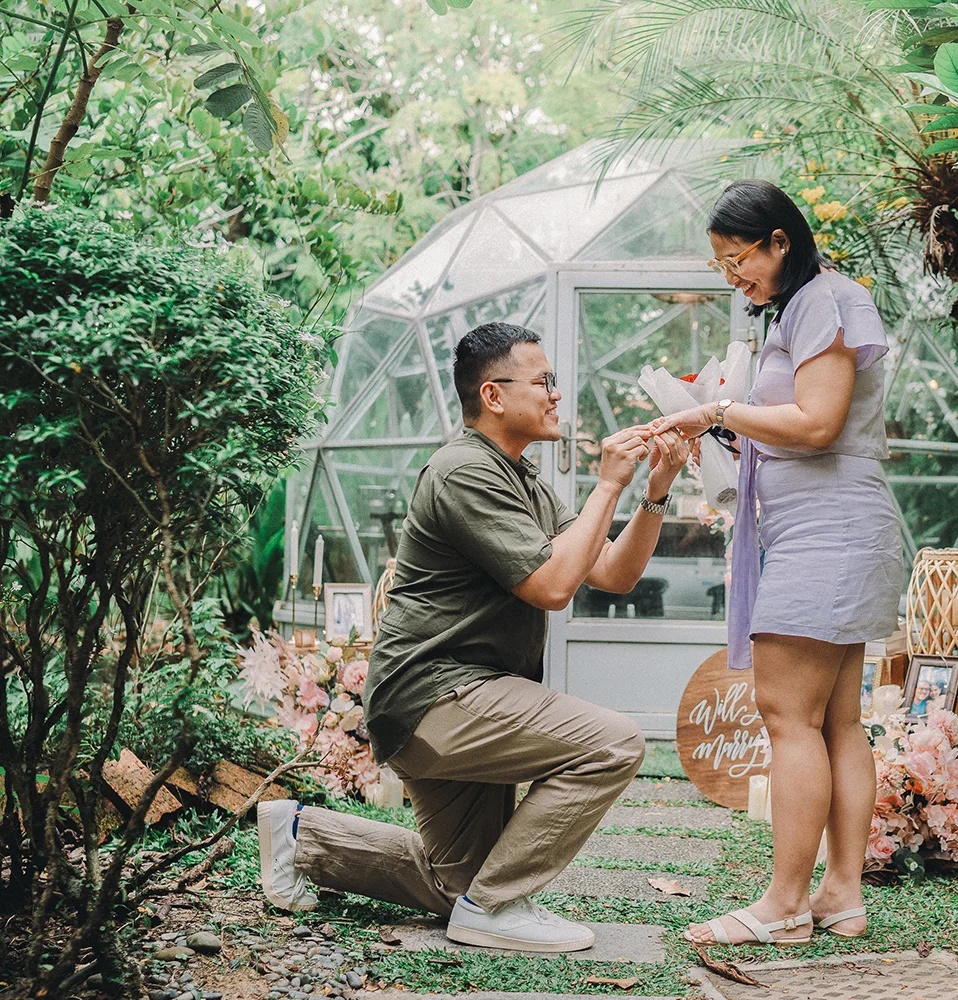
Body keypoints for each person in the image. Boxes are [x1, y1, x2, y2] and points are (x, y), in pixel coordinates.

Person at [257, 322, 689, 954]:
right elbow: (551, 587)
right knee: (612, 744)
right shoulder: (463, 471)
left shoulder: (524, 480)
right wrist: (607, 484)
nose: (555, 395)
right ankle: (494, 909)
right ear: (493, 395)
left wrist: (653, 492)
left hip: (466, 695)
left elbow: (613, 574)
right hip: (436, 695)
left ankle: (302, 836)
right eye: (543, 382)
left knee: (449, 883)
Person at [653, 180, 902, 946]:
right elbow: (799, 420)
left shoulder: (822, 297)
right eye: (722, 264)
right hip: (835, 527)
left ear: (778, 241)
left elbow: (819, 422)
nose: (733, 277)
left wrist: (717, 411)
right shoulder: (805, 306)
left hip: (826, 532)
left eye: (739, 259)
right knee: (836, 721)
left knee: (787, 715)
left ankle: (785, 905)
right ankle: (841, 896)